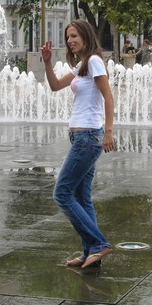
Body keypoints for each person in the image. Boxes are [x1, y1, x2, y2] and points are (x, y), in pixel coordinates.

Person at [41, 19, 115, 269]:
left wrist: (109, 132)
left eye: (74, 36)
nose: (70, 41)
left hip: (88, 138)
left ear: (85, 35)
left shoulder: (94, 61)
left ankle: (99, 243)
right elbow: (54, 86)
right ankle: (89, 254)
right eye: (68, 37)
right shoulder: (82, 65)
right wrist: (48, 61)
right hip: (80, 137)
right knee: (83, 198)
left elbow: (108, 97)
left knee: (62, 193)